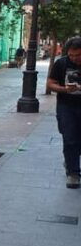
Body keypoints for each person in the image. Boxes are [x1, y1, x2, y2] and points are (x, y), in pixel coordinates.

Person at [47, 36, 81, 189]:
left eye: (78, 55)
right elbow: (50, 83)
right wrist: (64, 89)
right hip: (66, 106)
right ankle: (73, 173)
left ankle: (70, 160)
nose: (74, 58)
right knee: (70, 138)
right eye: (71, 55)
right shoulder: (61, 63)